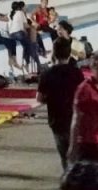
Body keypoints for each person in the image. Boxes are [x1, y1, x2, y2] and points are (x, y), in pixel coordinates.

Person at [37, 36, 85, 169]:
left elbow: (39, 98)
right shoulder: (76, 73)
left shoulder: (46, 74)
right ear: (69, 54)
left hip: (57, 120)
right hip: (75, 119)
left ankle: (68, 177)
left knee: (64, 155)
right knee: (77, 154)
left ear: (54, 53)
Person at [69, 55, 98, 164]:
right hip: (86, 144)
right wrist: (73, 147)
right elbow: (76, 119)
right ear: (92, 69)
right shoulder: (84, 90)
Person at [0, 3, 24, 77]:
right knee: (12, 42)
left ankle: (11, 60)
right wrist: (2, 14)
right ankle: (14, 61)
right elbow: (7, 19)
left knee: (10, 42)